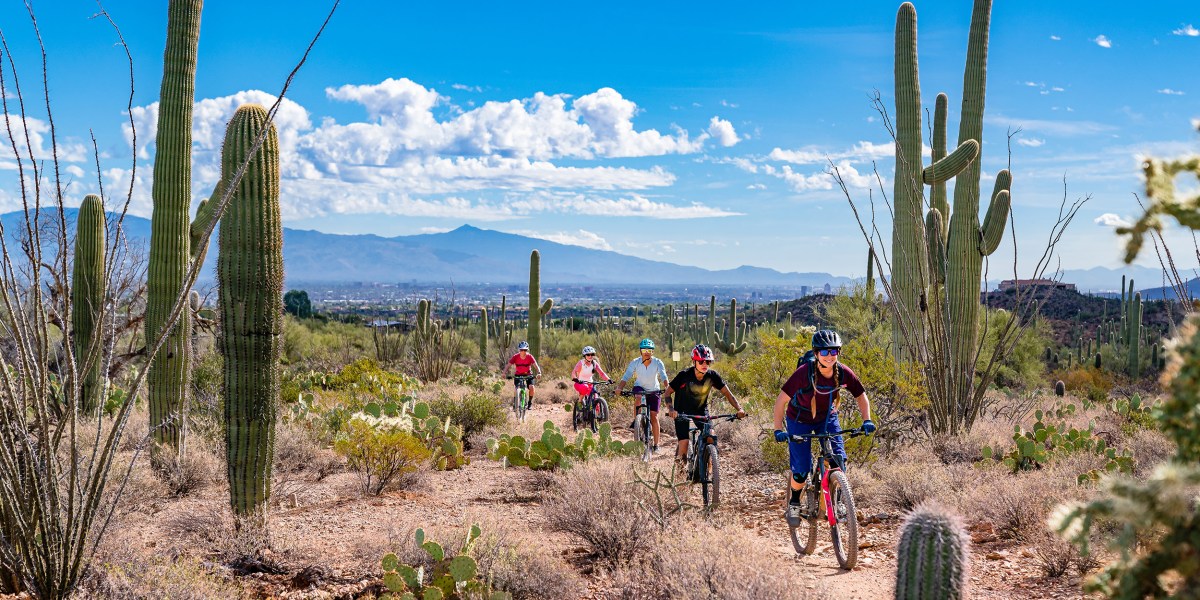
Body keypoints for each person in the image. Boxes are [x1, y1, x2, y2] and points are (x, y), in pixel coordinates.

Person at [772, 330, 875, 526]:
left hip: (827, 417)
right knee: (801, 470)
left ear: (838, 352)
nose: (829, 356)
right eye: (825, 352)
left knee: (839, 459)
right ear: (817, 354)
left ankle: (837, 502)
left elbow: (861, 396)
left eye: (833, 351)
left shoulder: (843, 372)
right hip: (799, 419)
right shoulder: (804, 373)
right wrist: (778, 430)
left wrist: (867, 420)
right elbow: (781, 401)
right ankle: (794, 502)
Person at [662, 344, 746, 464]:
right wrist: (671, 409)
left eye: (708, 361)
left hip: (701, 411)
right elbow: (667, 393)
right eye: (701, 361)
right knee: (684, 443)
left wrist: (740, 409)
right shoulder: (684, 375)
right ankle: (679, 476)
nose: (705, 364)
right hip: (681, 412)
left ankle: (708, 466)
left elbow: (728, 394)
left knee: (711, 436)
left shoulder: (712, 376)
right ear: (694, 361)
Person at [616, 338, 670, 453]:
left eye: (649, 350)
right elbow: (626, 376)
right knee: (638, 398)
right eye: (644, 350)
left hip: (654, 389)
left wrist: (667, 388)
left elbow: (663, 376)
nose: (647, 352)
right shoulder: (635, 362)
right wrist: (619, 387)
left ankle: (656, 445)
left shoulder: (658, 362)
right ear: (640, 351)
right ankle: (637, 421)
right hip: (639, 386)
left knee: (654, 416)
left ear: (652, 352)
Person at [503, 341, 542, 405]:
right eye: (521, 350)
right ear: (519, 350)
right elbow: (508, 365)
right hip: (518, 375)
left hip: (528, 374)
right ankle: (515, 403)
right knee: (516, 388)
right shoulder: (515, 357)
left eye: (525, 350)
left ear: (527, 350)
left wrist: (539, 372)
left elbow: (535, 365)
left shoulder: (529, 357)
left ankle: (530, 402)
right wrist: (504, 373)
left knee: (531, 387)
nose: (523, 351)